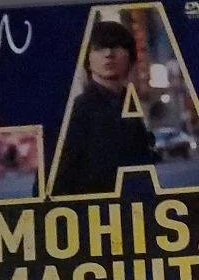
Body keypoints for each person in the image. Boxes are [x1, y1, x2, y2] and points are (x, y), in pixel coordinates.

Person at [52, 20, 154, 196]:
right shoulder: (76, 110)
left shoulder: (128, 104)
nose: (108, 54)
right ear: (87, 59)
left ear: (130, 57)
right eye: (99, 48)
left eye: (117, 46)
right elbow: (53, 182)